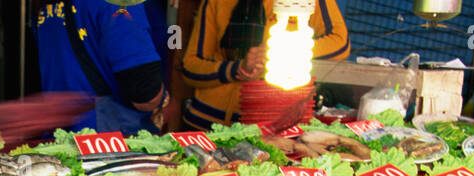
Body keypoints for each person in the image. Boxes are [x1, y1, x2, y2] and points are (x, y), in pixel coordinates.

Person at [180, 0, 349, 133]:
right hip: (205, 127)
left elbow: (340, 43)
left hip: (270, 129)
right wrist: (236, 69)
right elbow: (190, 67)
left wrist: (277, 52)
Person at [34, 1, 171, 135]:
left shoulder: (45, 6)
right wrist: (165, 100)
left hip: (60, 137)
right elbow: (145, 94)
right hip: (104, 144)